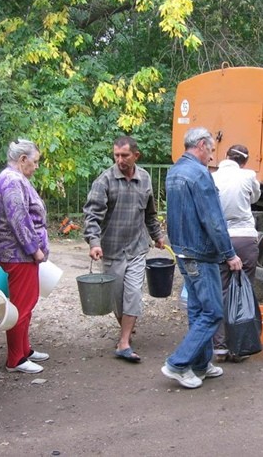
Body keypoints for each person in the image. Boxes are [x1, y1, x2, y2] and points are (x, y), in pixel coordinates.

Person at [162, 127, 242, 388]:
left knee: (197, 309)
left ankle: (201, 363)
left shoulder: (174, 172)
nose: (212, 155)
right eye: (210, 148)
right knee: (212, 312)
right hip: (200, 253)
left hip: (183, 252)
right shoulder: (199, 174)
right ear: (201, 145)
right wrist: (229, 253)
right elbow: (213, 220)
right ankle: (178, 364)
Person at [83, 136, 165, 363]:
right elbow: (92, 215)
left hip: (138, 247)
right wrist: (94, 242)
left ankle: (124, 342)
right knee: (117, 299)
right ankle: (126, 327)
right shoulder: (105, 181)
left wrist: (157, 236)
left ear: (136, 156)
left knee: (133, 294)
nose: (120, 160)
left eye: (125, 155)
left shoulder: (145, 179)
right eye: (116, 155)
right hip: (112, 249)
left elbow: (149, 213)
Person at [0, 139, 50, 374]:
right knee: (22, 306)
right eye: (34, 162)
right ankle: (15, 359)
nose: (36, 166)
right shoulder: (12, 181)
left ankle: (24, 349)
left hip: (20, 254)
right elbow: (19, 219)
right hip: (18, 255)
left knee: (27, 302)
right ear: (23, 159)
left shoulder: (15, 179)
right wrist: (34, 249)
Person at [211, 144, 261, 361]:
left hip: (220, 240)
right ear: (245, 162)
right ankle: (239, 347)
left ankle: (220, 348)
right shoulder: (249, 175)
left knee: (221, 292)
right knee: (243, 291)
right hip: (245, 238)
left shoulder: (212, 177)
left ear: (226, 157)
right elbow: (254, 198)